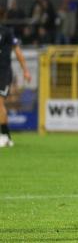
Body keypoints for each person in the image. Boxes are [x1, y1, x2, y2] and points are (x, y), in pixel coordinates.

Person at [0, 18, 32, 147]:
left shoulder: (6, 32)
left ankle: (4, 136)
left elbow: (18, 52)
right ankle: (6, 136)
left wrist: (26, 71)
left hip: (3, 73)